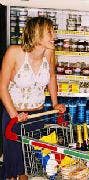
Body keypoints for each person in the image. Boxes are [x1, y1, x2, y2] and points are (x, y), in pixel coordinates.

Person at [0, 16, 66, 180]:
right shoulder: (14, 52)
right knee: (15, 167)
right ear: (37, 34)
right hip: (15, 118)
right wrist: (14, 115)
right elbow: (2, 88)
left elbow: (51, 77)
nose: (54, 36)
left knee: (32, 165)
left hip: (37, 117)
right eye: (50, 32)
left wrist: (55, 103)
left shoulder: (49, 52)